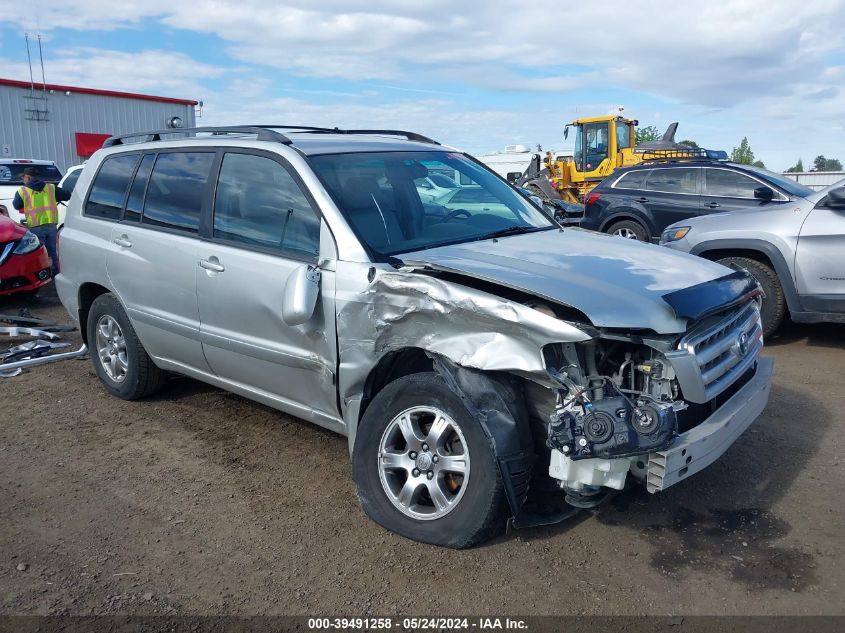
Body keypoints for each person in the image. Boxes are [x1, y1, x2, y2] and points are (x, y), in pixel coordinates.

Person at [12, 166, 70, 276]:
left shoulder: (22, 191)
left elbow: (16, 205)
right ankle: (56, 274)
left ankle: (42, 275)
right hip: (51, 225)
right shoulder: (50, 188)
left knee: (39, 253)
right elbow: (67, 195)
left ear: (28, 177)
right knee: (53, 251)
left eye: (23, 177)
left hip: (35, 226)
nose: (23, 179)